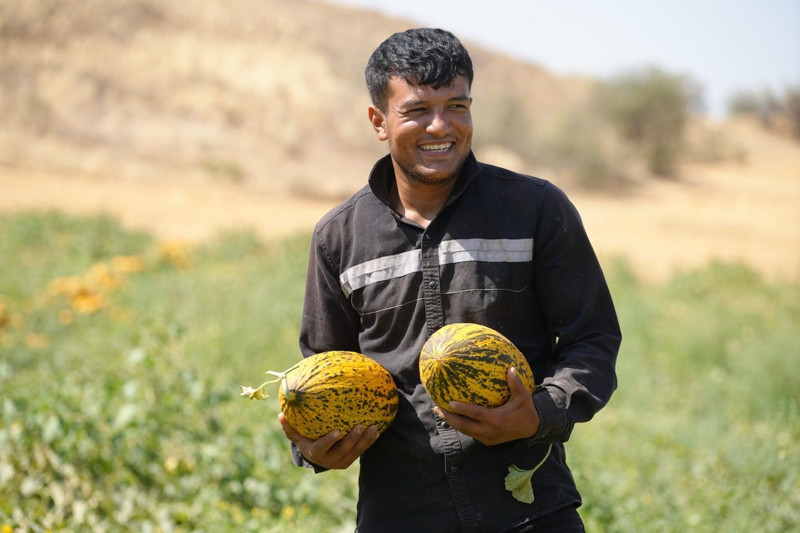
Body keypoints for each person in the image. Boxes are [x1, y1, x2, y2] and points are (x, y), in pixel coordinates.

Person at [278, 27, 621, 533]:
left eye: (457, 106)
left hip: (530, 512)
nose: (440, 125)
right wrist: (313, 447)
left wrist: (541, 413)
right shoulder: (338, 238)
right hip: (400, 516)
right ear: (379, 121)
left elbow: (593, 339)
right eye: (417, 110)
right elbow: (324, 371)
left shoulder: (534, 209)